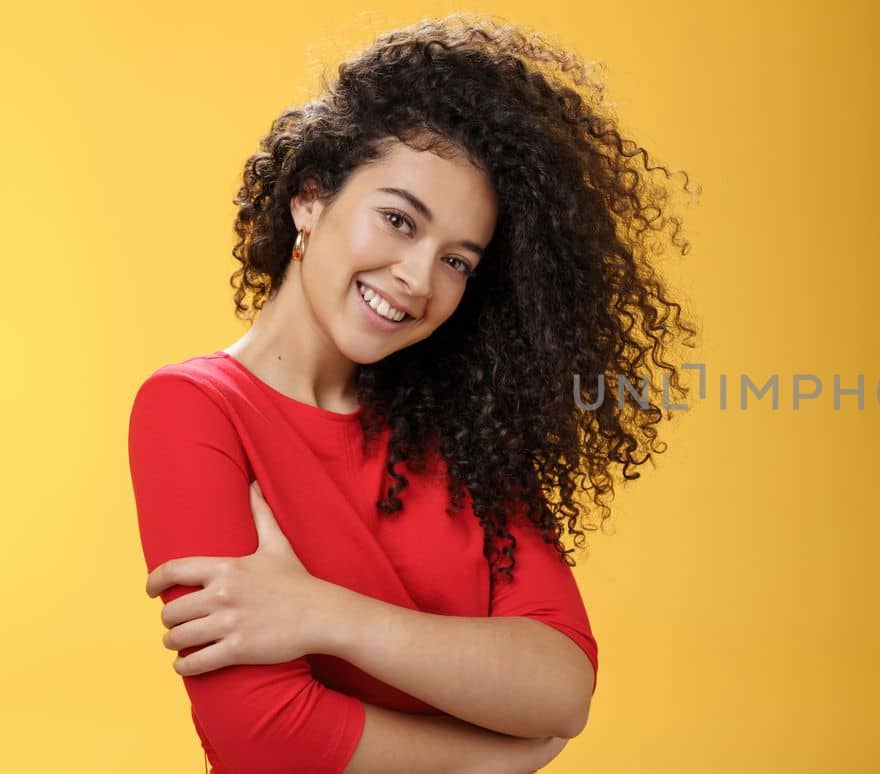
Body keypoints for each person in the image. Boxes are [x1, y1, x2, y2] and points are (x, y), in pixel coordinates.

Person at [126, 13, 698, 773]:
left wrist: (325, 616)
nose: (418, 279)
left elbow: (560, 688)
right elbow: (263, 733)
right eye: (398, 220)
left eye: (458, 261)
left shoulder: (461, 429)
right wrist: (487, 760)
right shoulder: (192, 408)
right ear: (309, 198)